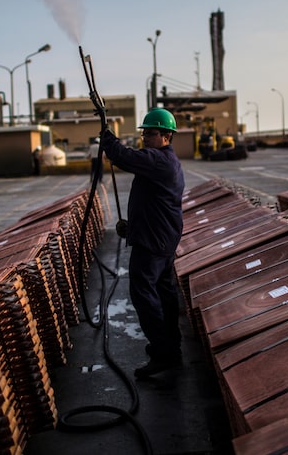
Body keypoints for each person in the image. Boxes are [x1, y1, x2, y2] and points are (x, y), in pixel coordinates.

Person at [100, 108, 185, 378]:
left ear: (167, 136)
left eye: (150, 133)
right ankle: (171, 346)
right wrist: (132, 227)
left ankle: (163, 353)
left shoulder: (160, 160)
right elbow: (152, 201)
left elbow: (123, 157)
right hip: (159, 236)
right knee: (163, 293)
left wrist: (109, 141)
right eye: (144, 133)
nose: (145, 137)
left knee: (143, 293)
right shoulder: (162, 161)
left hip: (154, 242)